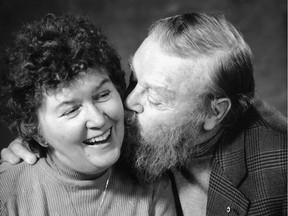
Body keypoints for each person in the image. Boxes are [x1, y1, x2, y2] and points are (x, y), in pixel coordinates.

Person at [2, 12, 287, 216]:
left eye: (156, 97)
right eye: (135, 78)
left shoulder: (276, 176)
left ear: (213, 113)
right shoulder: (123, 134)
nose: (127, 101)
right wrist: (43, 143)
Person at [0, 14, 176, 216]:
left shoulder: (151, 177)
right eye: (71, 110)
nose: (99, 119)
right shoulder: (7, 195)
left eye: (102, 95)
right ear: (37, 131)